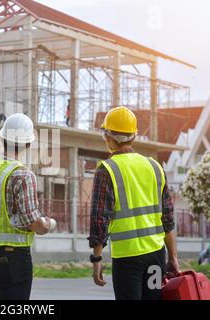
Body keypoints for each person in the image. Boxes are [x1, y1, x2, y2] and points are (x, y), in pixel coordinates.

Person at [88, 106, 180, 300]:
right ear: (134, 136)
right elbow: (168, 218)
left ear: (108, 137)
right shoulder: (155, 167)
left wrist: (96, 259)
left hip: (126, 260)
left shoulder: (107, 170)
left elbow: (99, 220)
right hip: (155, 256)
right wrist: (172, 257)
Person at [0, 113, 56, 300]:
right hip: (13, 260)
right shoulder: (24, 175)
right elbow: (32, 222)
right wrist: (48, 224)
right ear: (28, 144)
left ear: (2, 139)